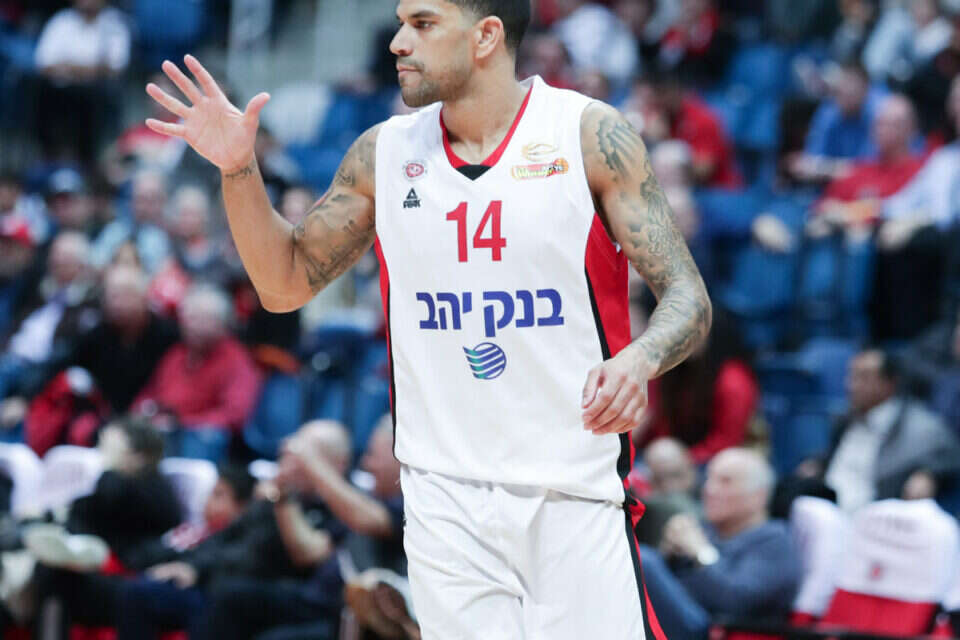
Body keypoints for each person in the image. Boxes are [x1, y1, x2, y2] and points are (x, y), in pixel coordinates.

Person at [144, 0, 712, 636]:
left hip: (571, 492)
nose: (396, 42)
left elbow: (688, 296)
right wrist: (238, 169)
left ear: (486, 36)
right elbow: (283, 284)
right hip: (444, 504)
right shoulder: (383, 153)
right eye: (400, 23)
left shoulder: (586, 134)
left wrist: (640, 358)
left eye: (421, 23)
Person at [115, 420, 353, 640]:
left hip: (269, 596)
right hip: (219, 581)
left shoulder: (344, 510)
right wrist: (193, 567)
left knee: (229, 599)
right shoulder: (273, 497)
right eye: (294, 454)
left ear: (338, 464)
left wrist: (283, 497)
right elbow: (226, 538)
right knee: (139, 591)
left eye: (307, 455)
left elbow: (304, 555)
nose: (295, 461)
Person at [638, 448, 801, 639]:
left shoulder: (774, 540)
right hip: (687, 621)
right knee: (641, 561)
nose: (709, 489)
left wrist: (700, 551)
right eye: (709, 479)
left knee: (644, 561)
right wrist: (670, 555)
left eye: (725, 481)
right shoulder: (708, 530)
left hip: (718, 631)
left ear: (759, 495)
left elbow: (735, 601)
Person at [133, 284, 262, 461]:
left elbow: (235, 415)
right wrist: (143, 412)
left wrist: (182, 424)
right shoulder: (176, 355)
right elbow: (151, 393)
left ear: (223, 324)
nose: (194, 326)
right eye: (190, 318)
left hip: (200, 442)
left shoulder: (236, 361)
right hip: (163, 433)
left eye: (204, 320)